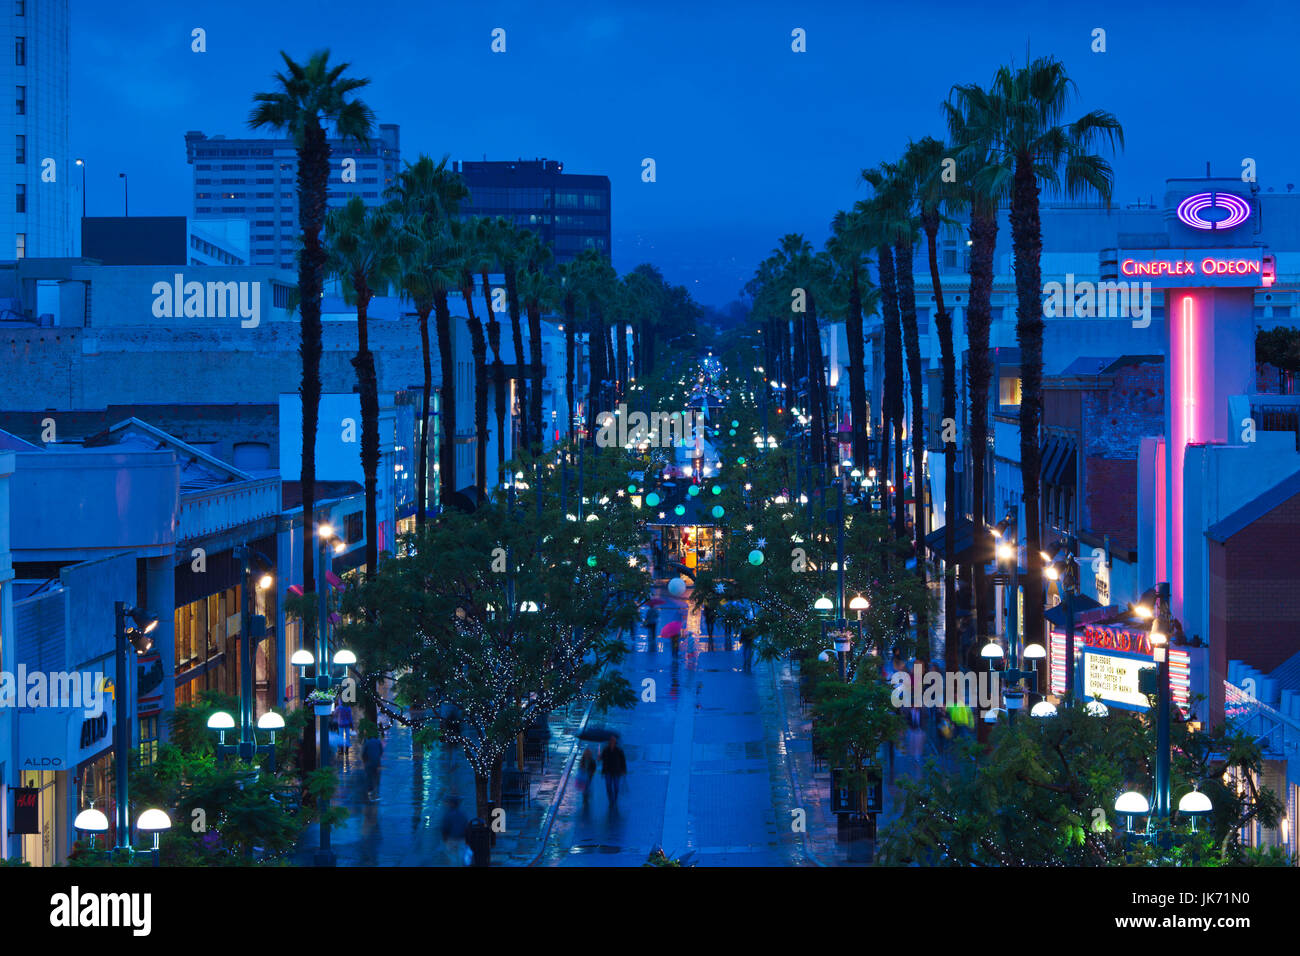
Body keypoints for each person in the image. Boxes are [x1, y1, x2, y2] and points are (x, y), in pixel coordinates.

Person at [439, 794, 470, 865]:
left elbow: (445, 828)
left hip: (451, 839)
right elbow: (467, 827)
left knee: (452, 857)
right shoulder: (463, 814)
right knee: (461, 857)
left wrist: (445, 839)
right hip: (462, 838)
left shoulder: (448, 815)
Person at [600, 735, 627, 808]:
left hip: (616, 771)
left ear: (615, 742)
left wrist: (624, 770)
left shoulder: (619, 751)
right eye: (611, 741)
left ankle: (615, 798)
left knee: (616, 786)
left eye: (613, 741)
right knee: (608, 786)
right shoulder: (605, 750)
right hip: (608, 771)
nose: (612, 742)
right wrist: (599, 757)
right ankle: (610, 800)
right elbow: (602, 759)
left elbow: (623, 761)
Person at [361, 732, 384, 802]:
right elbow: (381, 751)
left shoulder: (367, 743)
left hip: (369, 762)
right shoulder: (378, 742)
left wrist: (364, 761)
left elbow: (363, 753)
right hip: (376, 762)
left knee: (369, 777)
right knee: (376, 777)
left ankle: (370, 792)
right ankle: (376, 792)